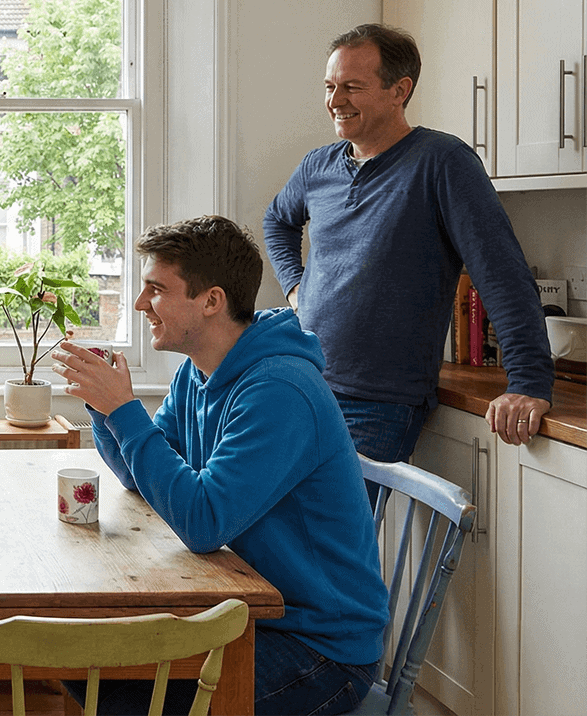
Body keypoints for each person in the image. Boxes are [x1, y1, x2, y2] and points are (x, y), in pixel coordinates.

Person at [52, 215, 388, 716]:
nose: (142, 304)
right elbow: (141, 478)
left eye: (156, 289)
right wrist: (107, 410)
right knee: (82, 661)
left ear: (211, 300)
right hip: (252, 614)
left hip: (317, 648)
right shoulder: (200, 371)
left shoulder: (279, 391)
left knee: (112, 690)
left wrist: (125, 411)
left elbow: (203, 523)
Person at [264, 23, 553, 459]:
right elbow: (277, 221)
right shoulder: (316, 166)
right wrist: (295, 287)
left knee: (338, 529)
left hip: (379, 404)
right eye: (330, 86)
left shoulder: (443, 162)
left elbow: (501, 273)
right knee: (278, 526)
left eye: (352, 87)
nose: (335, 101)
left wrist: (529, 382)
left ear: (399, 90)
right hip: (304, 381)